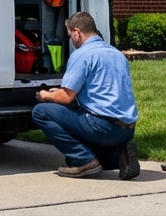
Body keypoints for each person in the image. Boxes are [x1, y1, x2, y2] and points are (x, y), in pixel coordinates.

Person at [32, 11, 141, 180]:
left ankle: (84, 161)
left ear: (77, 32)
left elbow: (66, 97)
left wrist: (46, 95)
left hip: (103, 127)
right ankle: (119, 155)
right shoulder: (116, 54)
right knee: (71, 159)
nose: (71, 40)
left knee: (40, 112)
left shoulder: (82, 54)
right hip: (127, 129)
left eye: (70, 36)